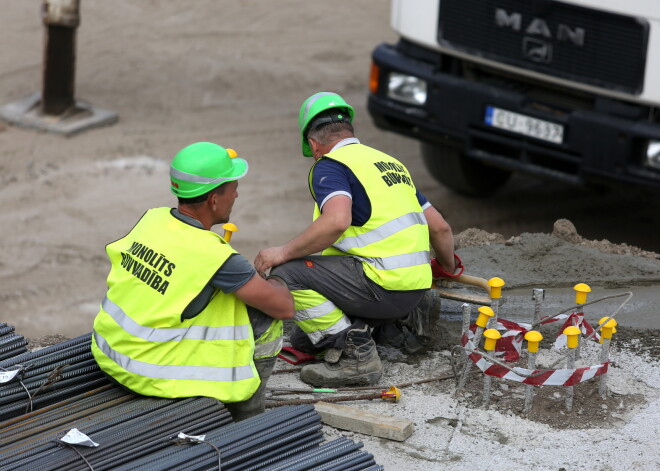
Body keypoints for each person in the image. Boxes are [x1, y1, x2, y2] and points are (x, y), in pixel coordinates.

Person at [254, 92, 460, 387]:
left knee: (288, 275)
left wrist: (283, 252)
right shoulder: (391, 164)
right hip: (413, 288)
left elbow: (337, 221)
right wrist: (448, 269)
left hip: (380, 285)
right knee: (304, 338)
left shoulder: (330, 165)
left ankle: (356, 358)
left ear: (313, 144)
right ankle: (400, 322)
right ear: (350, 131)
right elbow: (440, 229)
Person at [91, 142, 294, 421]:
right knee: (265, 319)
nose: (236, 193)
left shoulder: (153, 219)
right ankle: (247, 414)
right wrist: (283, 275)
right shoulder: (215, 255)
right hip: (148, 375)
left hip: (110, 354)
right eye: (232, 187)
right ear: (213, 200)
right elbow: (284, 308)